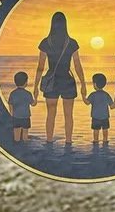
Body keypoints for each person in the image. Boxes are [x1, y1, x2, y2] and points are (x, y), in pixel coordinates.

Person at [33, 11, 87, 145]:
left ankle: (49, 141)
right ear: (65, 25)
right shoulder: (71, 42)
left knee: (51, 113)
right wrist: (83, 84)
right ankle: (68, 142)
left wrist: (35, 86)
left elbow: (40, 67)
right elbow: (77, 66)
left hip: (52, 81)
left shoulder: (46, 42)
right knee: (68, 115)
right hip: (67, 81)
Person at [84, 73, 114, 146]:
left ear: (95, 84)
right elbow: (112, 105)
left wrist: (83, 96)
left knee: (96, 131)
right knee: (105, 131)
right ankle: (105, 142)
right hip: (105, 117)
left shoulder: (93, 94)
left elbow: (87, 102)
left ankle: (96, 142)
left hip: (96, 117)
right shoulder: (106, 94)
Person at [8, 70, 35, 143]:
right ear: (26, 82)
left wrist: (11, 113)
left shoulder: (13, 93)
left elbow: (10, 104)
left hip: (16, 117)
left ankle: (17, 143)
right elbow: (32, 104)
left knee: (16, 135)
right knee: (25, 135)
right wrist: (35, 99)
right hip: (25, 117)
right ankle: (25, 144)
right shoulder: (28, 94)